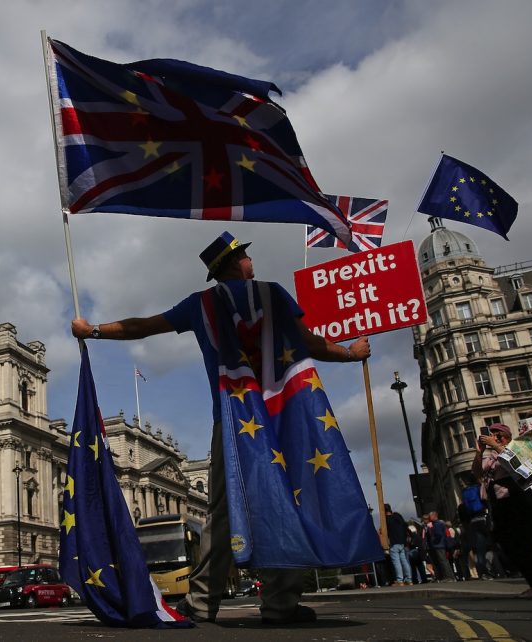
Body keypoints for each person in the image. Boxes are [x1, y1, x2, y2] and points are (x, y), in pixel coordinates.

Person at [70, 231, 371, 626]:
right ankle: (280, 603)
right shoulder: (273, 294)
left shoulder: (201, 304)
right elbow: (309, 344)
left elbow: (141, 326)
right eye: (245, 255)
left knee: (224, 510)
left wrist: (91, 330)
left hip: (233, 419)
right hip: (282, 413)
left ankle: (201, 600)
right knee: (288, 498)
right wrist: (350, 353)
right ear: (234, 262)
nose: (251, 261)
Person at [472, 422, 532, 598]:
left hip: (518, 501)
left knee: (526, 543)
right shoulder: (491, 457)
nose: (494, 437)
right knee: (509, 545)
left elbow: (520, 465)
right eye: (492, 434)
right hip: (500, 504)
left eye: (498, 435)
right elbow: (477, 472)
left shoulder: (516, 448)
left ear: (507, 437)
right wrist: (479, 452)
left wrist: (496, 446)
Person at [385, 504, 412, 586]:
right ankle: (409, 579)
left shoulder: (386, 520)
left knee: (396, 562)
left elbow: (385, 532)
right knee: (404, 561)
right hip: (402, 542)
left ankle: (400, 580)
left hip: (394, 542)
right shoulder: (397, 516)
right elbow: (405, 525)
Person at [423, 512, 454, 581]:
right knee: (443, 561)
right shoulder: (438, 523)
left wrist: (433, 540)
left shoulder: (437, 524)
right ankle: (448, 577)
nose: (429, 518)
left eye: (430, 516)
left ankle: (449, 577)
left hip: (439, 545)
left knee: (443, 561)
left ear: (434, 516)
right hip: (440, 545)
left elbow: (438, 534)